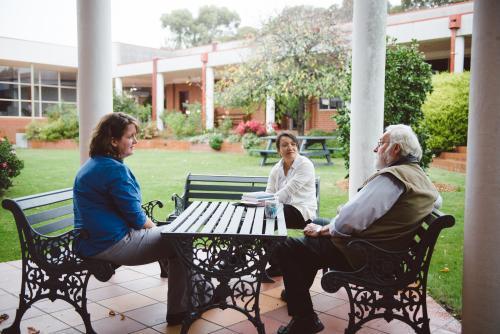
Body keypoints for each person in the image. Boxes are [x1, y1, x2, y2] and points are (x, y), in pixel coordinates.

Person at [274, 124, 441, 334]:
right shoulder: (420, 177)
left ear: (396, 149)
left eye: (380, 144)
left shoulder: (391, 179)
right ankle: (295, 292)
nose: (375, 149)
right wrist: (325, 226)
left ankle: (305, 318)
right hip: (385, 252)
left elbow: (348, 222)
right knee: (313, 228)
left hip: (365, 254)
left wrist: (323, 230)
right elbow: (436, 202)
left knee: (287, 247)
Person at [73, 112, 188, 326]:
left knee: (172, 236)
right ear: (113, 140)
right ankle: (181, 310)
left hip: (94, 240)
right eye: (130, 136)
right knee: (179, 239)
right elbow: (136, 218)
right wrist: (160, 231)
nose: (135, 141)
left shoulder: (96, 164)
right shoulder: (113, 170)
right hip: (110, 243)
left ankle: (199, 294)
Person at [264, 131, 318, 278]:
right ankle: (277, 263)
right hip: (282, 209)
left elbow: (287, 192)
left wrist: (265, 204)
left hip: (302, 212)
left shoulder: (305, 165)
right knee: (260, 222)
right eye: (285, 145)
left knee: (263, 218)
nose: (290, 148)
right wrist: (263, 201)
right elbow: (269, 191)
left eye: (293, 144)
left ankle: (275, 262)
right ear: (278, 150)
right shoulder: (277, 168)